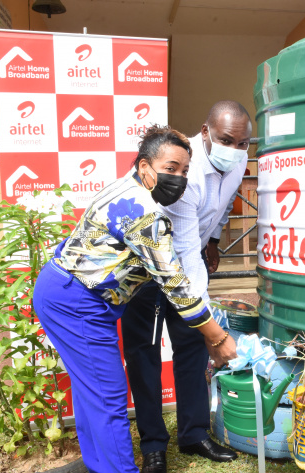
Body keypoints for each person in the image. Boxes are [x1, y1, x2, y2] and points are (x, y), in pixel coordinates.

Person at [32, 125, 237, 473]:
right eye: (170, 168)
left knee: (92, 394)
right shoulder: (143, 212)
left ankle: (99, 464)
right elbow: (174, 283)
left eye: (185, 171)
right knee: (108, 399)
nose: (179, 178)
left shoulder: (126, 186)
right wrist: (216, 336)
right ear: (145, 167)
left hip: (65, 292)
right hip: (77, 303)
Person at [121, 101, 252, 473]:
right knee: (144, 354)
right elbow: (183, 257)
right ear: (206, 132)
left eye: (244, 143)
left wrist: (213, 239)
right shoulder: (185, 174)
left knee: (192, 351)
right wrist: (207, 318)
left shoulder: (239, 157)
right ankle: (153, 444)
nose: (236, 149)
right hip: (148, 270)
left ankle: (194, 433)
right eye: (228, 140)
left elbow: (224, 205)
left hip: (189, 256)